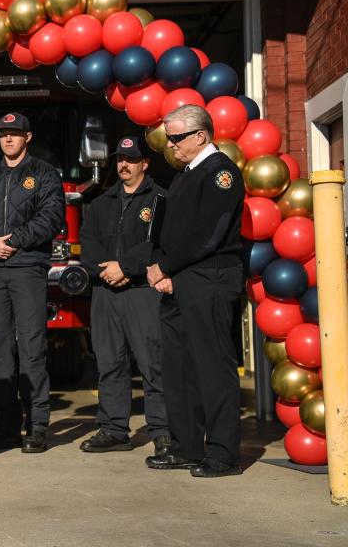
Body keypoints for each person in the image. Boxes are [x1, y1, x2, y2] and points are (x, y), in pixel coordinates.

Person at [145, 104, 244, 478]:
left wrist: (166, 266)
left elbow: (208, 235)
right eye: (169, 139)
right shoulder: (186, 173)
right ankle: (187, 446)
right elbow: (167, 227)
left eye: (176, 138)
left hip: (209, 278)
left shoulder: (220, 173)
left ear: (201, 136)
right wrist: (163, 269)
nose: (170, 145)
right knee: (179, 366)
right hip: (180, 279)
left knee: (212, 366)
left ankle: (222, 453)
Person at [0, 112, 65, 453]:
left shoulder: (44, 174)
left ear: (27, 137)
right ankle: (6, 428)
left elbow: (52, 217)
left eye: (14, 134)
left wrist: (16, 240)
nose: (8, 139)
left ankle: (37, 427)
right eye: (3, 134)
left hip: (28, 268)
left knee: (32, 348)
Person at [78, 137, 170, 455]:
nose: (123, 165)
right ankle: (114, 429)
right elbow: (87, 243)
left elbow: (158, 245)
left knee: (152, 362)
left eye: (131, 159)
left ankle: (163, 430)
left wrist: (126, 268)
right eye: (119, 159)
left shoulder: (160, 199)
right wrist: (105, 271)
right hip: (106, 292)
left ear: (145, 163)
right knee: (109, 363)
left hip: (142, 291)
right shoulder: (101, 202)